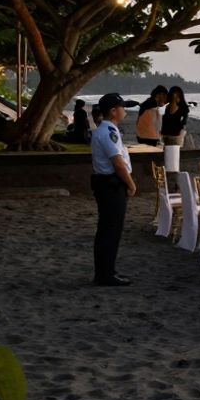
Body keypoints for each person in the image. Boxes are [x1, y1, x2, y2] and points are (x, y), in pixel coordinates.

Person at [90, 93, 139, 286]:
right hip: (110, 184)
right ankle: (105, 274)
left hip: (108, 184)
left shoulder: (108, 130)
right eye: (122, 107)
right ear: (113, 111)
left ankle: (107, 270)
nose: (124, 111)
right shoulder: (108, 132)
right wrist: (131, 183)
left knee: (109, 229)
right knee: (110, 230)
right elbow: (118, 163)